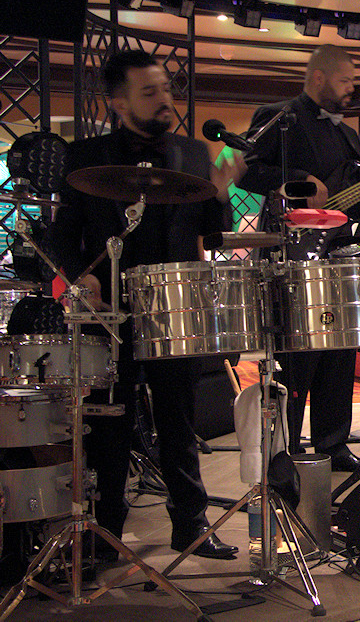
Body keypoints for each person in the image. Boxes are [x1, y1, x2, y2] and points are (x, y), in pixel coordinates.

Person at [49, 49, 244, 560]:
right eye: (150, 92)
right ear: (117, 102)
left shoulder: (193, 155)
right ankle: (106, 532)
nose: (165, 100)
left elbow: (212, 235)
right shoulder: (87, 157)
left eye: (166, 89)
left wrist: (221, 195)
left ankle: (191, 525)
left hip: (173, 306)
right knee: (110, 426)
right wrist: (82, 279)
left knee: (181, 421)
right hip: (108, 309)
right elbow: (65, 234)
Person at [239, 45, 360, 472]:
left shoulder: (349, 135)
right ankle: (287, 448)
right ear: (318, 78)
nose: (352, 88)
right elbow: (248, 168)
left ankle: (333, 444)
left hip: (338, 251)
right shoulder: (281, 117)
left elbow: (356, 194)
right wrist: (296, 181)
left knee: (339, 350)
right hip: (292, 251)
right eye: (344, 80)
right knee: (298, 356)